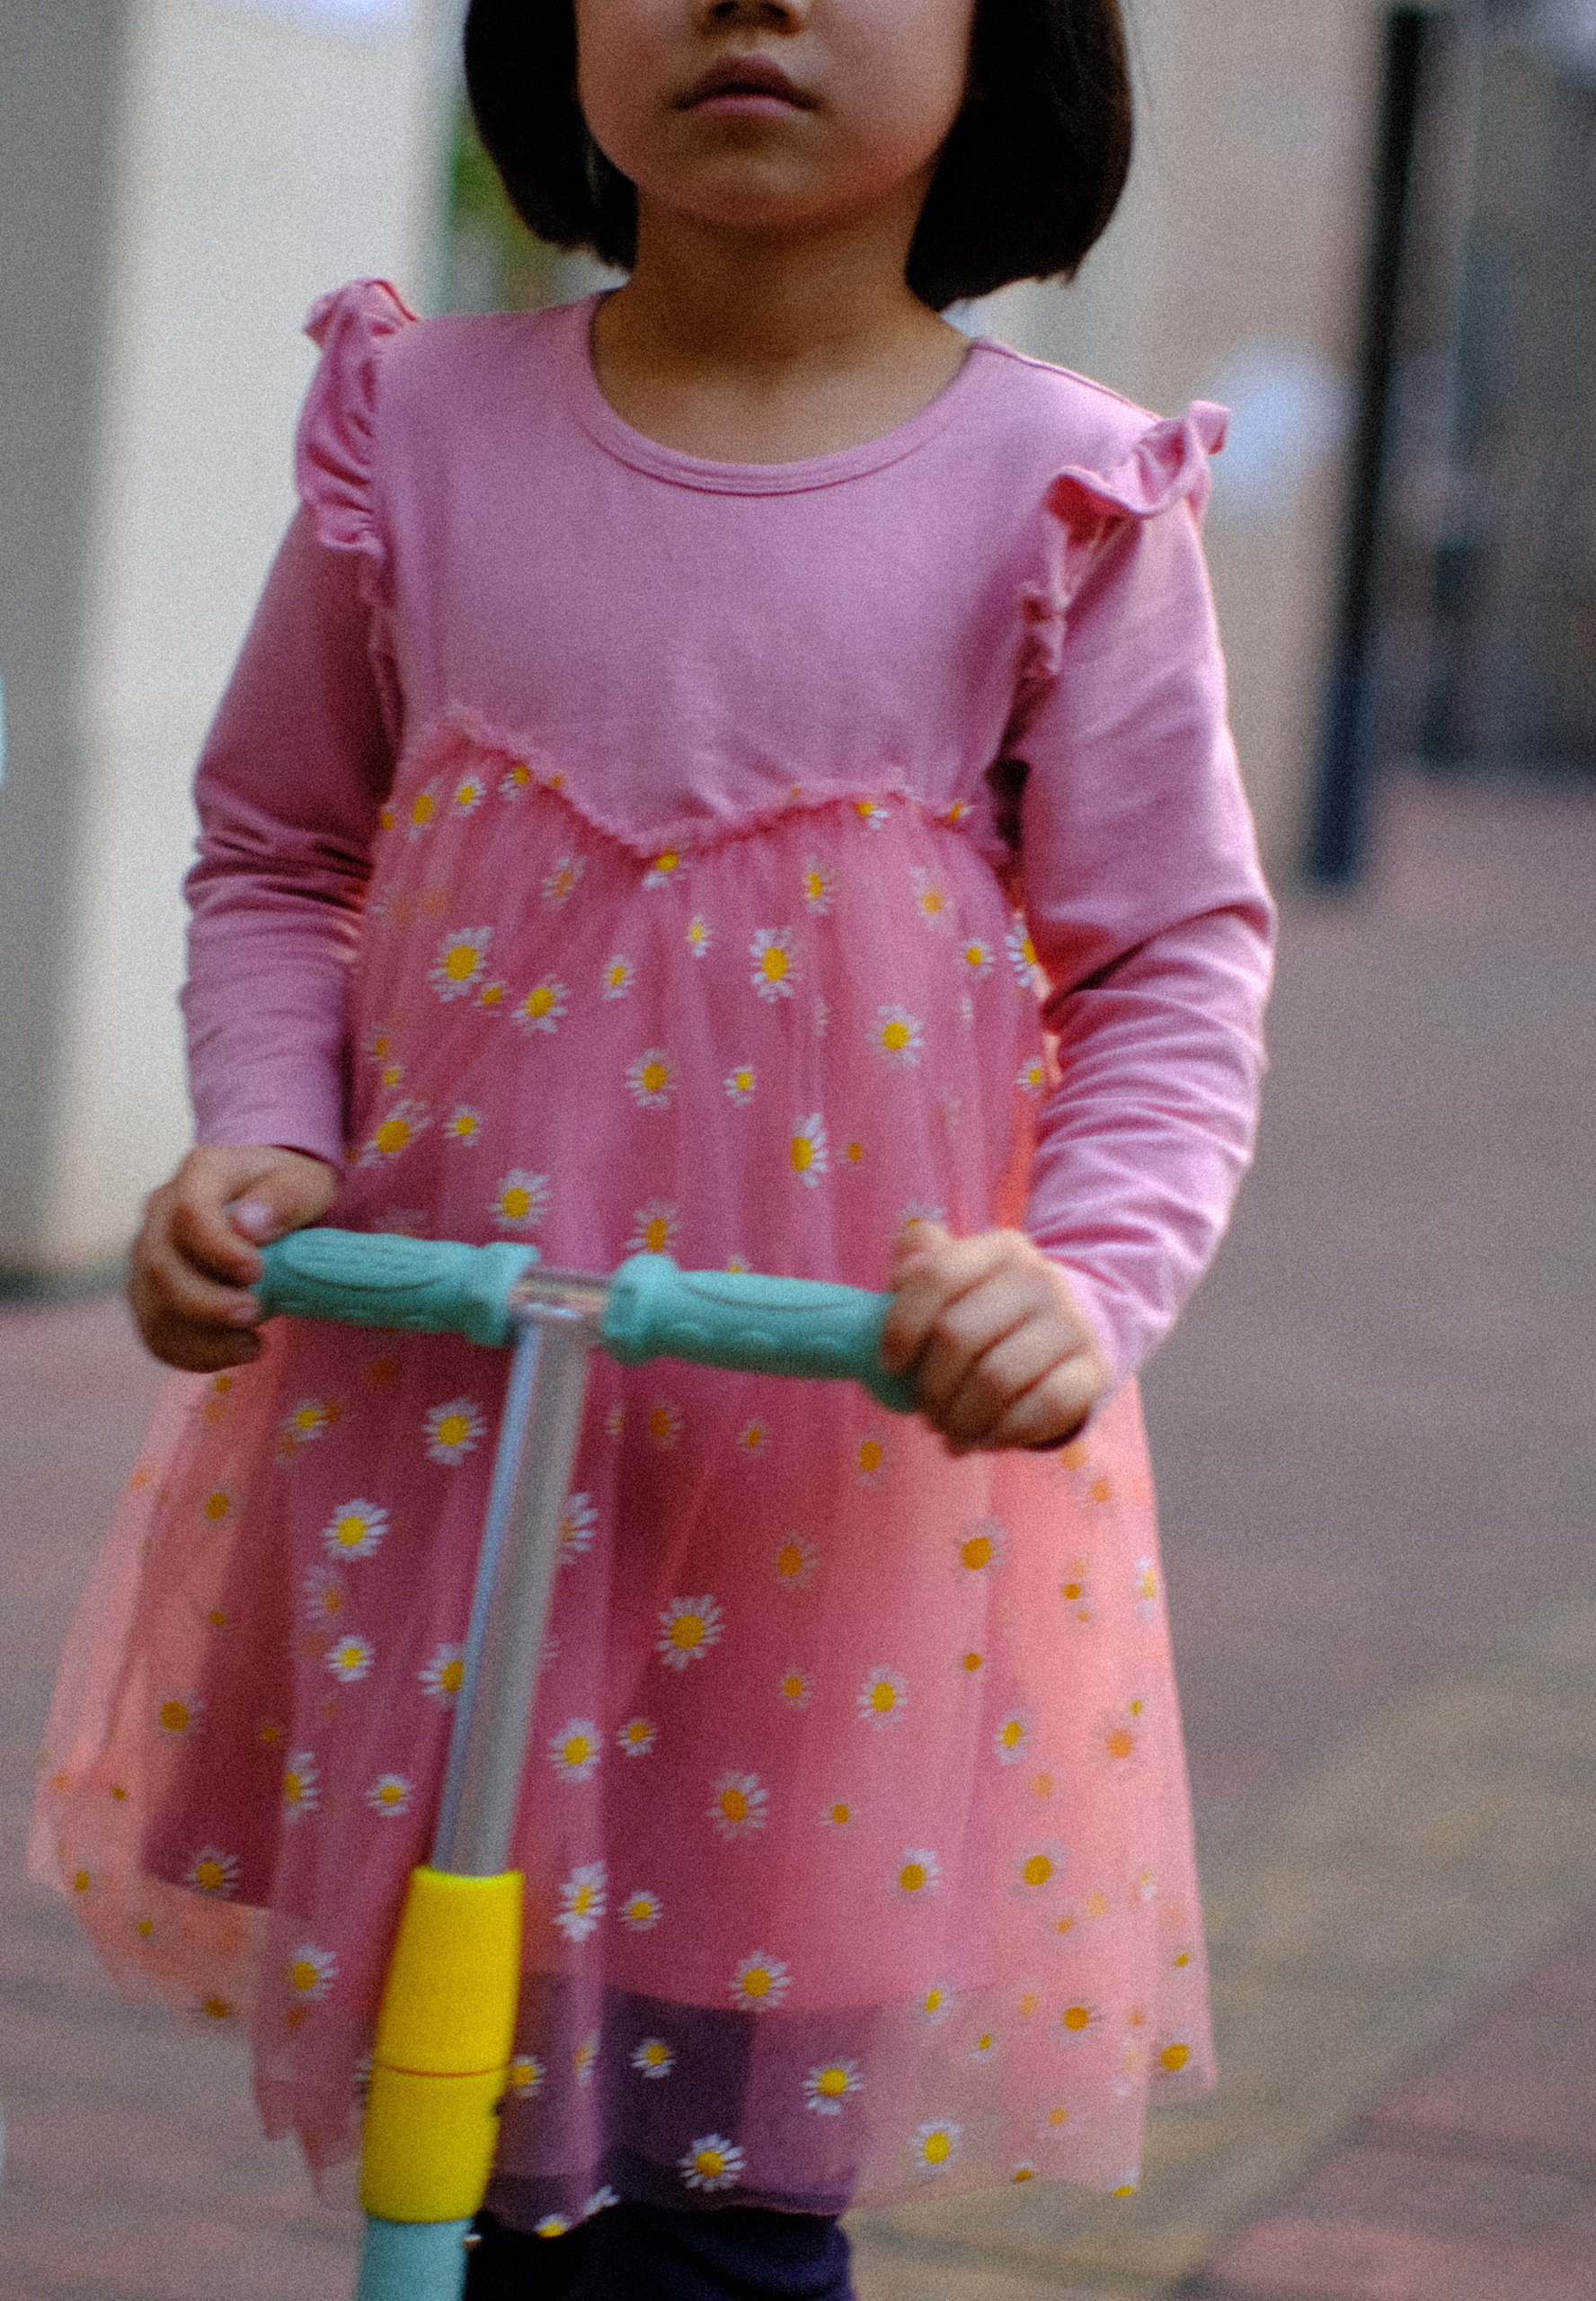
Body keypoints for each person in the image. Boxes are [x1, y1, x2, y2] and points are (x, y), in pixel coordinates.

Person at [31, 0, 1272, 2289]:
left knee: (715, 2185)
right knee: (457, 2128)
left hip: (822, 1489)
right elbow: (283, 845)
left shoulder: (1062, 492)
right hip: (443, 1419)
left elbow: (1168, 960)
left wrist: (1076, 1280)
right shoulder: (416, 427)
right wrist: (267, 1147)